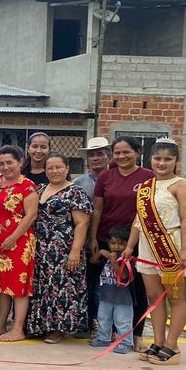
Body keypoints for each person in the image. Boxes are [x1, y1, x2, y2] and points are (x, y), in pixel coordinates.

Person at [124, 139, 186, 365]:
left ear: (176, 161)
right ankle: (158, 342)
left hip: (171, 245)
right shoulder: (145, 187)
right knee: (153, 296)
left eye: (168, 159)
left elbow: (185, 219)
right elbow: (138, 219)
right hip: (146, 246)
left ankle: (172, 346)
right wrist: (129, 246)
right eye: (158, 158)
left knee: (175, 297)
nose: (162, 163)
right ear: (150, 159)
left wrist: (185, 249)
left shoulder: (181, 184)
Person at [88, 135, 153, 352]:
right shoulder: (106, 177)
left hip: (138, 241)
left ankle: (136, 335)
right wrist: (94, 238)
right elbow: (98, 210)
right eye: (117, 153)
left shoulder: (148, 177)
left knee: (136, 289)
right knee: (108, 287)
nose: (122, 156)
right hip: (109, 239)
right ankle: (109, 332)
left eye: (127, 152)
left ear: (137, 153)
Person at [25, 153, 91, 343]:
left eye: (58, 167)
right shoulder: (39, 189)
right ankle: (40, 326)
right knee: (42, 287)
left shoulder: (75, 192)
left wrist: (75, 251)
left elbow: (82, 223)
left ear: (67, 169)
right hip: (41, 248)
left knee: (61, 289)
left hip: (64, 249)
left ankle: (57, 328)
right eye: (50, 168)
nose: (54, 171)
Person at [0, 146, 39, 341]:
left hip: (18, 241)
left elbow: (31, 215)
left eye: (10, 163)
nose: (5, 167)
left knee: (18, 285)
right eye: (2, 163)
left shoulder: (27, 185)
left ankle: (17, 329)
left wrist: (13, 237)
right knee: (0, 285)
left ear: (20, 162)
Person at [75, 136, 112, 332]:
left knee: (110, 283)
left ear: (109, 157)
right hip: (88, 240)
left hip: (113, 239)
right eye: (92, 155)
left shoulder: (116, 179)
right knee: (88, 283)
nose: (96, 158)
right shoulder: (79, 183)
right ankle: (89, 320)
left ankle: (111, 324)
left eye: (100, 154)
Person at [89, 225, 134, 353]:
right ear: (108, 242)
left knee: (122, 321)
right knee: (103, 318)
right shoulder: (106, 256)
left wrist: (114, 263)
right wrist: (99, 253)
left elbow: (123, 276)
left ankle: (126, 343)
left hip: (123, 299)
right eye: (113, 243)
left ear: (127, 244)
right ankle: (103, 338)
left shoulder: (127, 259)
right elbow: (92, 261)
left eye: (121, 244)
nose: (116, 247)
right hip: (105, 296)